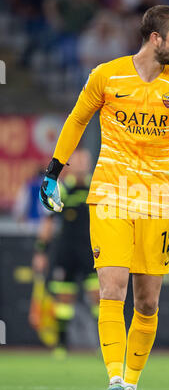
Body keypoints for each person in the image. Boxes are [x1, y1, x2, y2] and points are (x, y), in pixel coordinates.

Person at [39, 5, 169, 390]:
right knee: (111, 290)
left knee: (147, 303)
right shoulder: (106, 75)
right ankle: (115, 380)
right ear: (156, 38)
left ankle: (131, 387)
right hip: (110, 196)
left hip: (157, 200)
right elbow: (77, 119)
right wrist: (52, 173)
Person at [33, 148, 99, 357]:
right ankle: (61, 345)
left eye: (83, 161)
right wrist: (40, 252)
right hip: (66, 250)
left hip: (92, 250)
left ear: (89, 164)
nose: (80, 165)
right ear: (70, 165)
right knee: (64, 298)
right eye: (76, 161)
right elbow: (48, 223)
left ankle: (104, 345)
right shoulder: (60, 189)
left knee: (99, 297)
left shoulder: (96, 187)